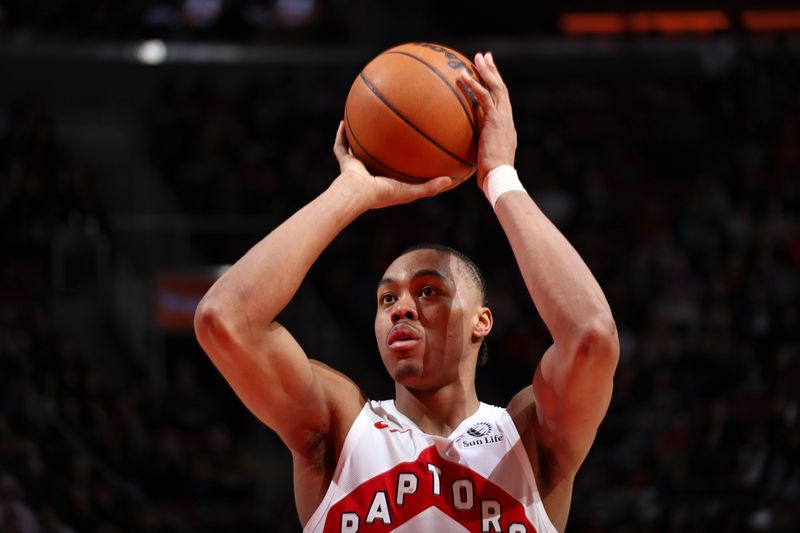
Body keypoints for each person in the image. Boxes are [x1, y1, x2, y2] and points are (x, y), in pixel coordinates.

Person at [194, 52, 619, 532]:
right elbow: (223, 318)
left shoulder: (528, 436)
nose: (402, 309)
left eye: (429, 291)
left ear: (482, 319)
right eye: (386, 298)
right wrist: (350, 191)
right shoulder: (339, 427)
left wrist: (499, 176)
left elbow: (592, 336)